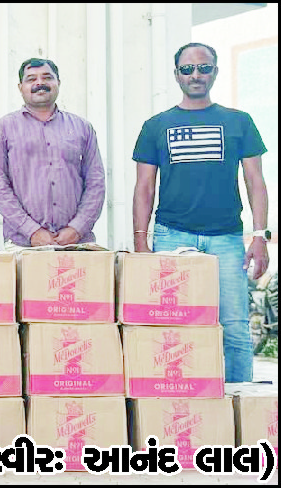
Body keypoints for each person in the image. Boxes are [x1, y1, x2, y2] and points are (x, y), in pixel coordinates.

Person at [132, 42, 269, 383]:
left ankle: (241, 402)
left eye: (204, 68)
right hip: (171, 236)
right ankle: (175, 399)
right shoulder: (156, 126)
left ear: (215, 72)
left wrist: (259, 236)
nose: (196, 75)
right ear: (177, 74)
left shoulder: (239, 122)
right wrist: (140, 242)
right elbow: (144, 187)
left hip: (227, 239)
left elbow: (255, 181)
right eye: (188, 69)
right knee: (171, 328)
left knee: (234, 327)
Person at [0, 58, 106, 247]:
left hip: (77, 244)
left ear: (58, 83)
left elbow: (95, 183)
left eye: (47, 77)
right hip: (23, 244)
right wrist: (31, 230)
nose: (39, 83)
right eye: (31, 79)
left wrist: (77, 228)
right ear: (20, 87)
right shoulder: (2, 129)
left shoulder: (82, 128)